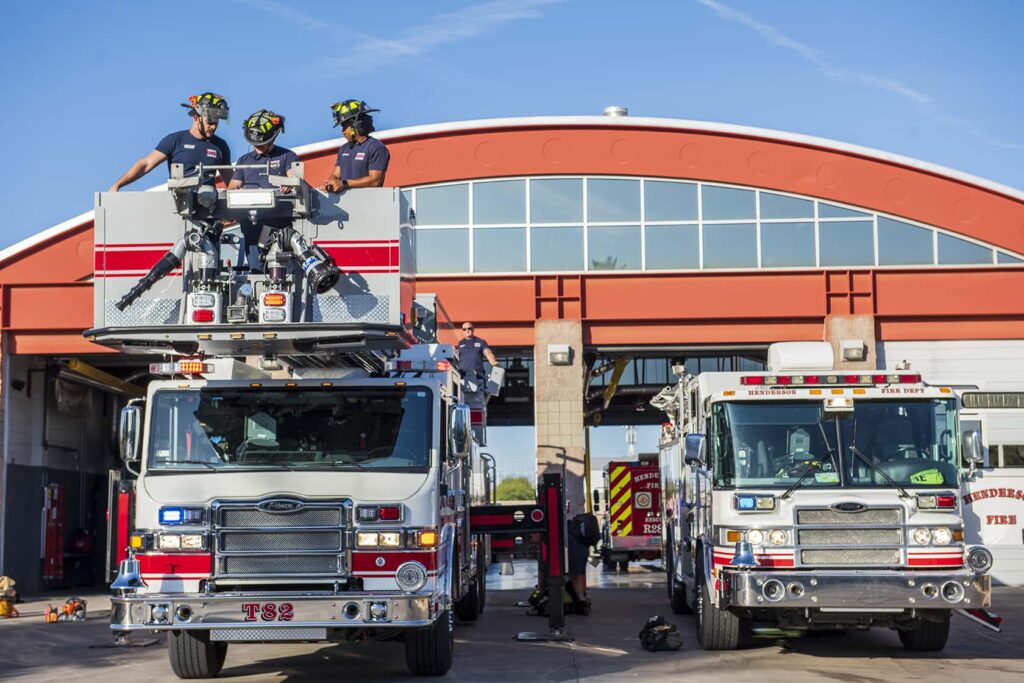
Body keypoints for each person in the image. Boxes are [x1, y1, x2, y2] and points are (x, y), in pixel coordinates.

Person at [109, 93, 232, 191]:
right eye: (210, 123)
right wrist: (118, 184)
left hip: (209, 212)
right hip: (179, 211)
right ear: (196, 118)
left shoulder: (220, 146)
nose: (213, 127)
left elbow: (231, 183)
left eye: (216, 123)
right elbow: (145, 164)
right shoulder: (175, 140)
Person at [320, 99, 390, 192]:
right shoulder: (344, 149)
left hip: (369, 203)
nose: (343, 131)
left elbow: (375, 181)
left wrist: (344, 183)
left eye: (345, 126)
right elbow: (335, 175)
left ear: (356, 124)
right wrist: (330, 183)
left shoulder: (376, 147)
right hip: (345, 204)